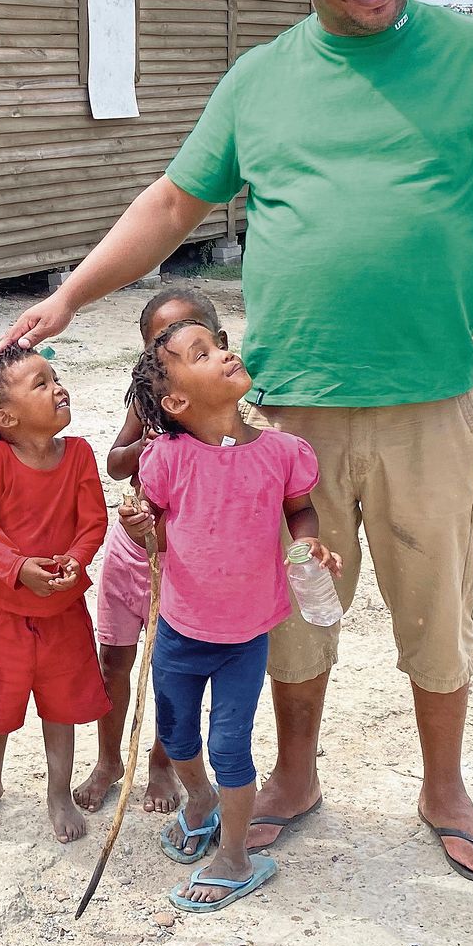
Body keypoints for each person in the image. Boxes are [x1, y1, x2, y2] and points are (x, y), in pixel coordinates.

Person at [0, 0, 473, 880]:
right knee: (288, 611)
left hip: (427, 402)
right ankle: (297, 775)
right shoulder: (260, 81)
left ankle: (443, 786)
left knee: (435, 605)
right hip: (282, 415)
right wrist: (73, 294)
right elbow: (172, 204)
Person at [123, 318, 340, 912]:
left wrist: (306, 545)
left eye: (218, 344)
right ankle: (200, 802)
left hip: (245, 635)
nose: (225, 353)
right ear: (176, 401)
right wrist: (143, 526)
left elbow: (302, 512)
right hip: (179, 626)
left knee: (230, 747)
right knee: (176, 733)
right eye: (202, 353)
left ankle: (236, 855)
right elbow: (162, 538)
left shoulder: (280, 451)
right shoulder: (166, 459)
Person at [72, 287, 225, 817]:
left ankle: (163, 764)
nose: (172, 349)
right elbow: (116, 462)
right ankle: (109, 760)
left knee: (171, 669)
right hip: (131, 551)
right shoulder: (148, 403)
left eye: (189, 338)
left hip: (184, 561)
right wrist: (152, 442)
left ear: (217, 342)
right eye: (158, 344)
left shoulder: (227, 413)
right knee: (113, 660)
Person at [0, 346, 111, 843]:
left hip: (65, 611)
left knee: (60, 709)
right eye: (40, 384)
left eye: (55, 377)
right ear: (6, 417)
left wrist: (75, 561)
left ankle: (58, 794)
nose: (58, 387)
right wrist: (19, 568)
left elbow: (93, 522)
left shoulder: (81, 454)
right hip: (4, 613)